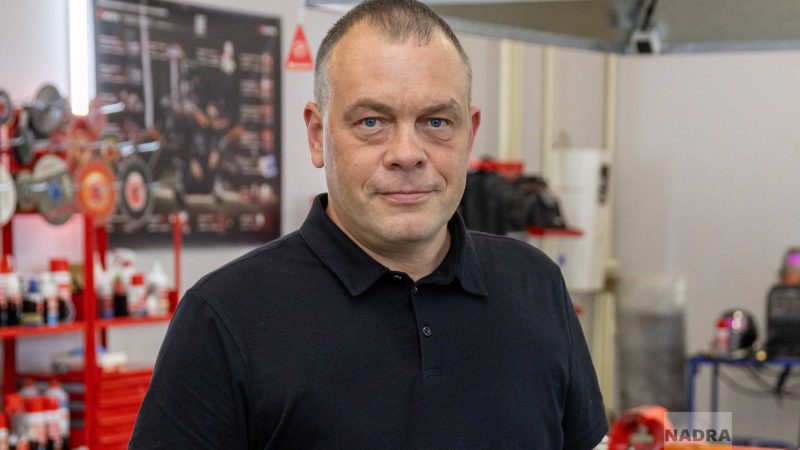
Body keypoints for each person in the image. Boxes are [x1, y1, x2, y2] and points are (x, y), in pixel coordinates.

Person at [129, 0, 607, 448]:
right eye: (372, 122)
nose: (407, 154)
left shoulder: (536, 284)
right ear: (317, 135)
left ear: (469, 133)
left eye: (437, 122)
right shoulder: (223, 318)